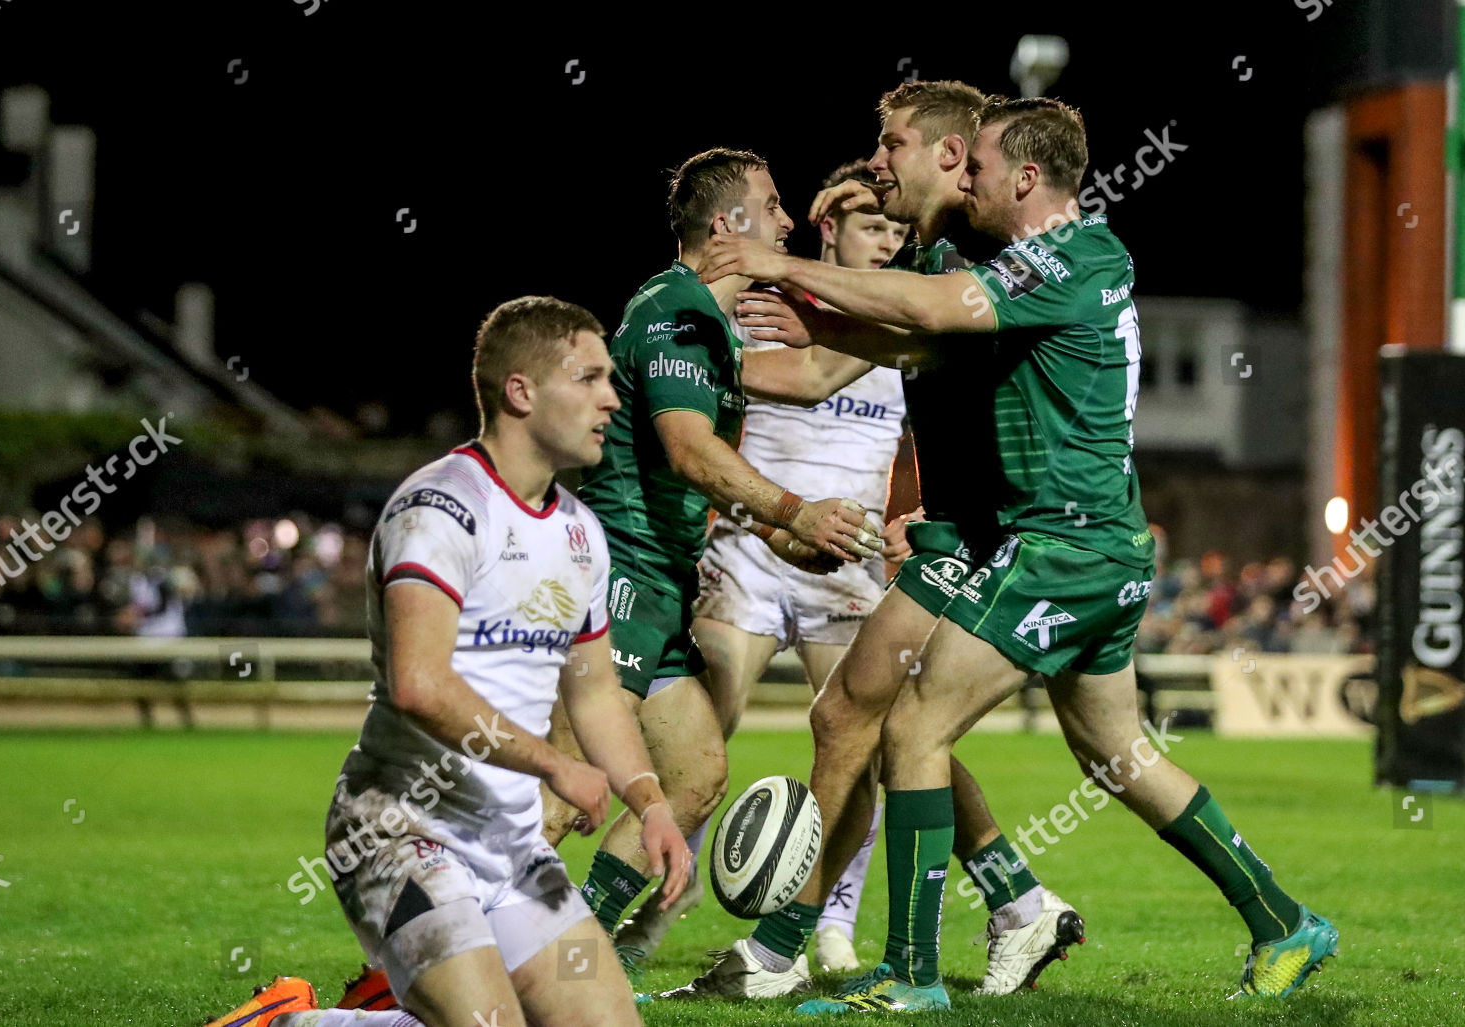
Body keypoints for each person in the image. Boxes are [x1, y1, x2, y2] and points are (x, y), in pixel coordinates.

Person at [697, 95, 1339, 1013]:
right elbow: (903, 339)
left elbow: (933, 313)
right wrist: (818, 327)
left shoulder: (1065, 255)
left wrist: (773, 262)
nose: (963, 179)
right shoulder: (999, 256)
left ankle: (912, 972)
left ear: (1018, 175)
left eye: (967, 163)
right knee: (1113, 752)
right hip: (1059, 540)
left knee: (912, 726)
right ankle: (1282, 919)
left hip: (1059, 545)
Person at [664, 82, 1088, 1005]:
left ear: (949, 156)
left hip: (989, 537)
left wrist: (782, 271)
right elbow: (822, 369)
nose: (880, 162)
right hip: (917, 535)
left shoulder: (982, 253)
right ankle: (1010, 907)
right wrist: (714, 359)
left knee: (892, 726)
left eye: (891, 144)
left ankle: (842, 950)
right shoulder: (942, 250)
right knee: (861, 721)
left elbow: (922, 316)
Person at [204, 296, 691, 1027]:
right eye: (590, 378)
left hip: (514, 846)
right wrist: (554, 765)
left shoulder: (582, 533)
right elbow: (419, 684)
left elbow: (594, 696)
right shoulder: (439, 508)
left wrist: (649, 801)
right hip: (398, 832)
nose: (612, 398)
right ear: (521, 391)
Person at [536, 148, 882, 988]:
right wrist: (796, 510)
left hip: (659, 586)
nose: (787, 220)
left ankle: (589, 955)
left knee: (693, 779)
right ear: (729, 226)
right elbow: (691, 454)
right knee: (561, 793)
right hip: (615, 577)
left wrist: (778, 538)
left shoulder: (714, 328)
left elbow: (705, 480)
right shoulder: (681, 311)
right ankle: (426, 950)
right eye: (771, 206)